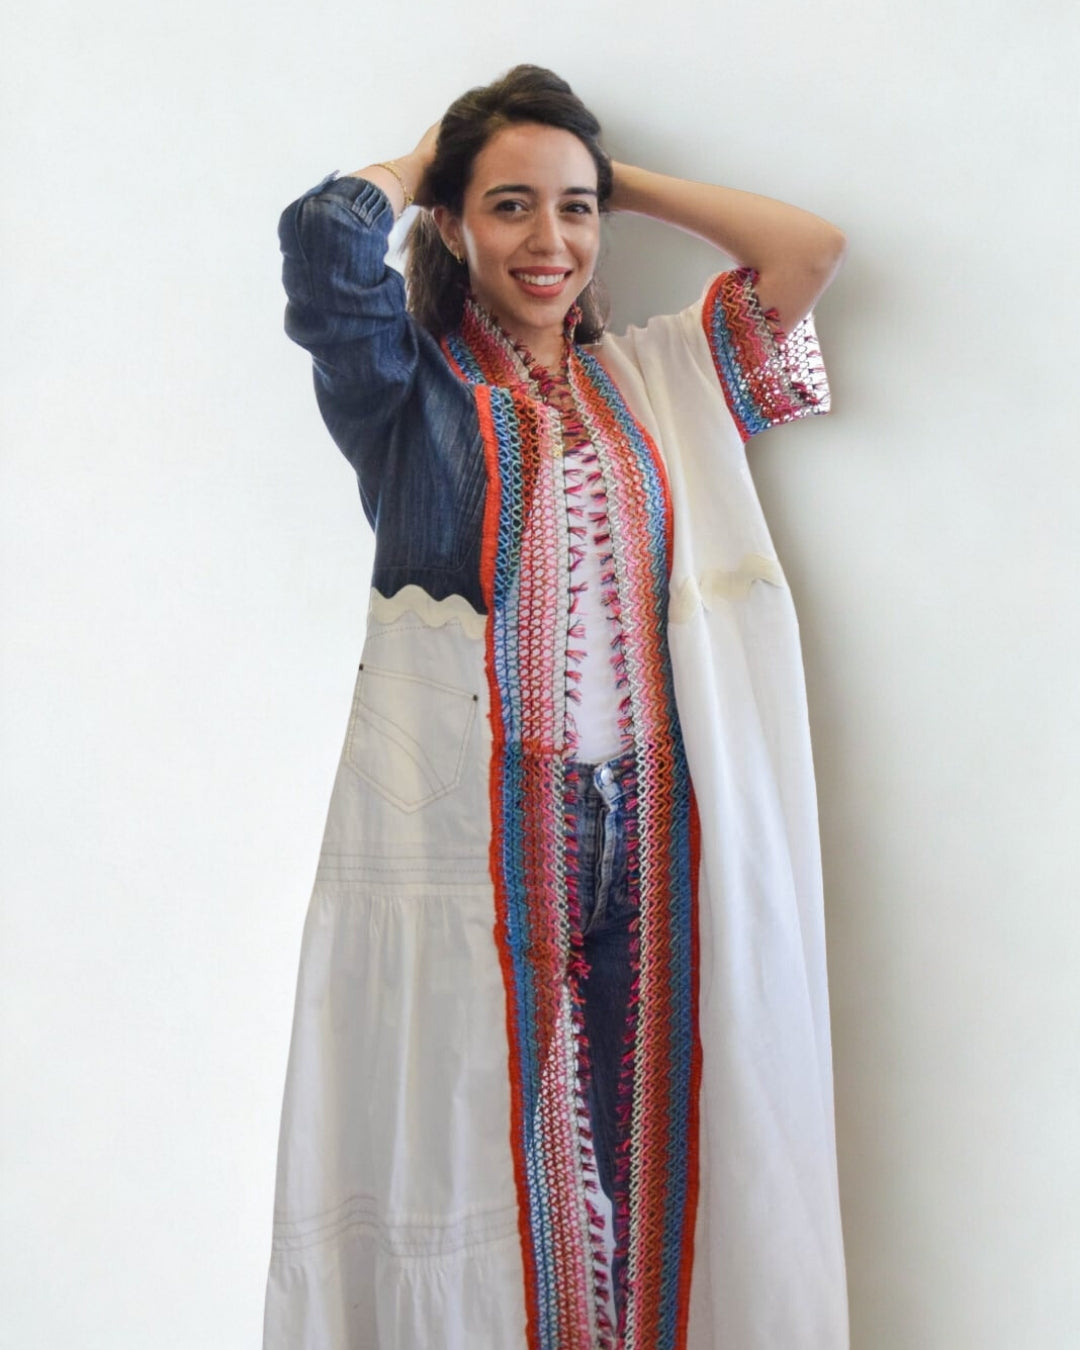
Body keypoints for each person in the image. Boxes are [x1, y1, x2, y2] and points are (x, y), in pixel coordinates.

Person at [264, 65, 848, 1350]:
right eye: (512, 208)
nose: (551, 242)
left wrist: (608, 176)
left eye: (573, 213)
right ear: (456, 226)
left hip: (650, 817)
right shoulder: (409, 400)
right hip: (477, 834)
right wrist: (430, 161)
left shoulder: (658, 382)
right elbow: (319, 237)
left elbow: (808, 252)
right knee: (487, 1136)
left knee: (646, 1149)